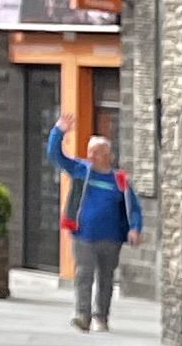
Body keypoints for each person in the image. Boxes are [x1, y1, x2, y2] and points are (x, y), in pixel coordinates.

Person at [46, 120, 143, 331]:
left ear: (108, 155)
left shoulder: (120, 180)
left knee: (106, 278)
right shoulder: (81, 170)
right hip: (83, 234)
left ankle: (101, 316)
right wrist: (58, 132)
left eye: (96, 152)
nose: (91, 156)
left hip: (111, 237)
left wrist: (135, 228)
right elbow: (56, 156)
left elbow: (133, 207)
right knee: (84, 273)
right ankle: (83, 314)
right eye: (90, 151)